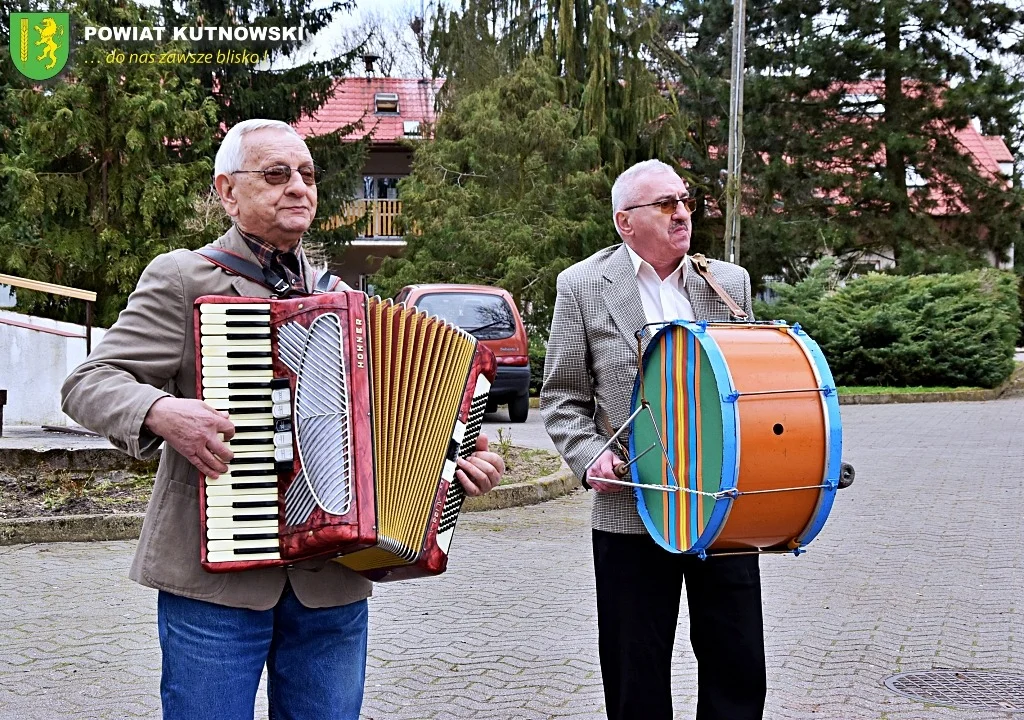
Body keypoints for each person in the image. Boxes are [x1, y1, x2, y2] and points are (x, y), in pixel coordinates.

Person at [61, 118, 505, 720]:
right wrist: (161, 411)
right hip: (216, 582)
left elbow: (391, 426)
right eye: (275, 174)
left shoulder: (341, 299)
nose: (298, 187)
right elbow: (88, 383)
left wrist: (459, 462)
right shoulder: (183, 278)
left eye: (307, 174)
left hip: (332, 583)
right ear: (227, 190)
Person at [540, 159, 765, 720]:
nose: (682, 213)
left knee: (737, 663)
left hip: (721, 507)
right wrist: (590, 456)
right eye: (666, 204)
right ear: (625, 221)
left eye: (685, 200)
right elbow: (563, 397)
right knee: (633, 672)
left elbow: (752, 384)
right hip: (631, 508)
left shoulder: (727, 282)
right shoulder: (584, 285)